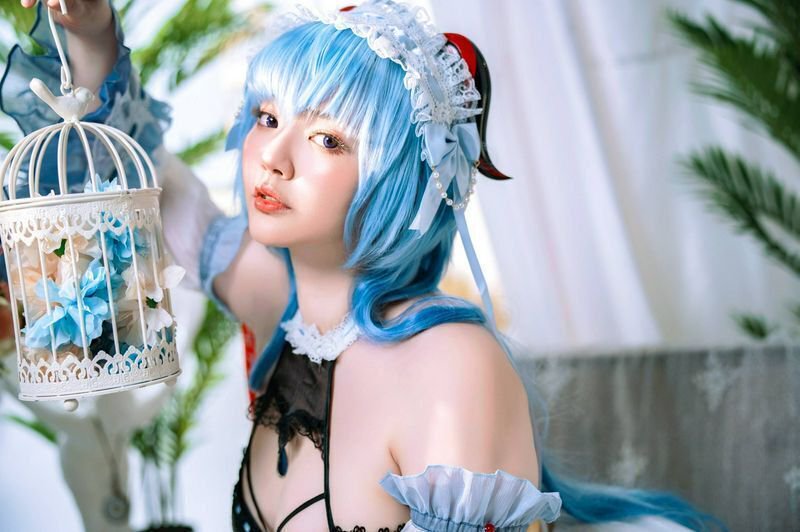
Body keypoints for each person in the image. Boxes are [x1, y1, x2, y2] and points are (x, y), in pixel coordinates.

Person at [3, 1, 726, 530]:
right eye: (267, 118)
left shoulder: (453, 365)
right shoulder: (282, 305)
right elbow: (130, 173)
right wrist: (88, 32)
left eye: (327, 139)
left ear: (396, 176)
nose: (272, 156)